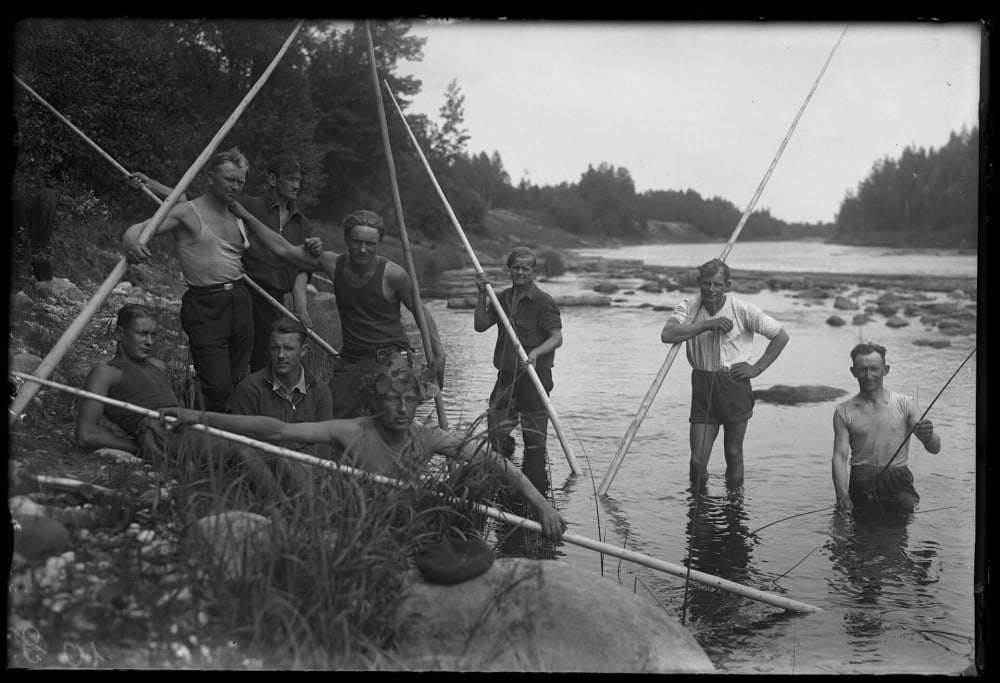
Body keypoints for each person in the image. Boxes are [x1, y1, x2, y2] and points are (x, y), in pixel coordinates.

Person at [163, 350, 567, 542]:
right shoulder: (351, 430)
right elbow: (276, 431)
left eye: (411, 400)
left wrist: (543, 505)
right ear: (375, 401)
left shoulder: (426, 439)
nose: (404, 408)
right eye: (394, 399)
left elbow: (498, 462)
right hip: (350, 526)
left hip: (401, 526)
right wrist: (200, 417)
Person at [123, 147, 322, 412]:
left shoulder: (239, 214)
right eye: (229, 179)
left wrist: (314, 248)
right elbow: (142, 227)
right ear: (209, 177)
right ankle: (189, 408)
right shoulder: (188, 212)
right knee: (216, 383)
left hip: (241, 301)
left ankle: (218, 432)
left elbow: (286, 250)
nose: (235, 186)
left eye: (240, 181)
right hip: (205, 303)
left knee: (237, 381)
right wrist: (130, 240)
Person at [75, 304, 317, 505]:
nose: (149, 341)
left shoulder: (156, 366)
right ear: (119, 334)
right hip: (157, 428)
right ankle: (284, 511)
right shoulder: (106, 372)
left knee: (263, 445)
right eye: (142, 334)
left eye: (154, 335)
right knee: (239, 449)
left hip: (183, 423)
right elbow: (86, 434)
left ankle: (311, 505)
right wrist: (138, 447)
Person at [660, 258, 789, 488]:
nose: (711, 290)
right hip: (702, 384)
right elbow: (668, 334)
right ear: (699, 282)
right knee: (697, 461)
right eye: (706, 283)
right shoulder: (689, 306)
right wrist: (707, 324)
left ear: (727, 285)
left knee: (733, 452)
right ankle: (697, 507)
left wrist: (756, 368)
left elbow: (780, 336)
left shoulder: (743, 309)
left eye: (717, 285)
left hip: (734, 384)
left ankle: (734, 509)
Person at [322, 210, 445, 418]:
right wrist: (247, 216)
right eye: (357, 242)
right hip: (352, 360)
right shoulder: (332, 264)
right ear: (346, 239)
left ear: (379, 242)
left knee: (392, 423)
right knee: (339, 423)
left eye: (370, 244)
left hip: (390, 361)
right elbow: (284, 252)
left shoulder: (394, 275)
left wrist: (439, 352)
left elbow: (420, 311)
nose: (363, 249)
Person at [473, 246, 562, 496]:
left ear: (534, 272)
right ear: (509, 269)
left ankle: (536, 497)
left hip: (534, 379)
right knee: (496, 436)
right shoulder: (501, 297)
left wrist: (534, 353)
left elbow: (557, 338)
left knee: (534, 445)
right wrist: (482, 295)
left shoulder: (543, 302)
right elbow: (480, 326)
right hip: (505, 378)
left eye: (525, 268)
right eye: (515, 267)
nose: (520, 272)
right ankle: (503, 490)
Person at [832, 342, 941, 516]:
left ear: (886, 370)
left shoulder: (905, 404)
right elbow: (840, 456)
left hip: (898, 481)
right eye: (862, 369)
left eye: (874, 369)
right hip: (861, 481)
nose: (869, 375)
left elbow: (934, 448)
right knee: (861, 537)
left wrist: (929, 436)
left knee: (897, 532)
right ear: (853, 372)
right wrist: (842, 494)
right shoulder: (843, 411)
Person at [229, 317, 333, 461]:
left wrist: (293, 465)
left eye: (288, 348)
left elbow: (324, 445)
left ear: (303, 351)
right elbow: (241, 444)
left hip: (306, 471)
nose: (281, 355)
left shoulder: (320, 391)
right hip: (261, 472)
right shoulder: (249, 388)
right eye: (275, 348)